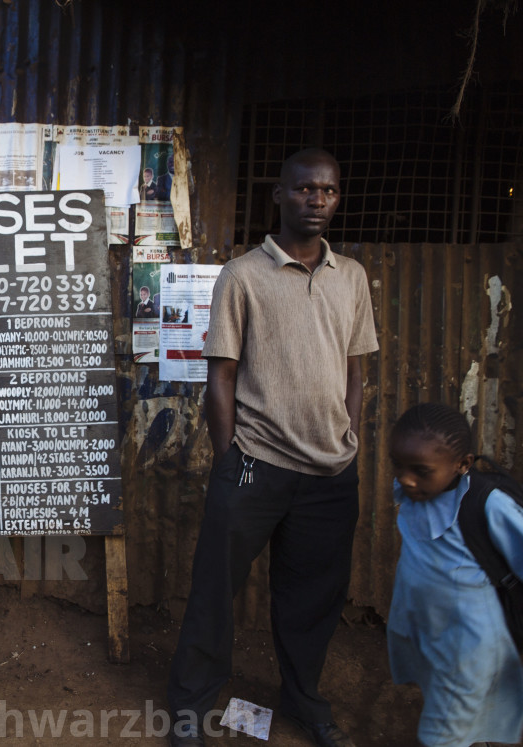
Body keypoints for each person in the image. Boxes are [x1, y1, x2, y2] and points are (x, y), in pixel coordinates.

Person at [166, 148, 378, 747]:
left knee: (313, 599)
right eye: (306, 189)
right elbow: (221, 376)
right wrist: (231, 456)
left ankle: (304, 699)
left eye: (329, 190)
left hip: (330, 472)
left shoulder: (352, 277)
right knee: (215, 590)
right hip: (255, 466)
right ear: (279, 196)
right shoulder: (243, 275)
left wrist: (351, 441)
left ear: (338, 197)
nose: (318, 200)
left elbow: (356, 371)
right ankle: (190, 706)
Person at [388, 403, 523, 747]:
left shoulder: (486, 503)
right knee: (461, 718)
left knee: (442, 735)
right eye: (398, 466)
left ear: (462, 464)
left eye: (419, 470)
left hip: (468, 648)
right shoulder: (417, 489)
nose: (405, 478)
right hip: (430, 634)